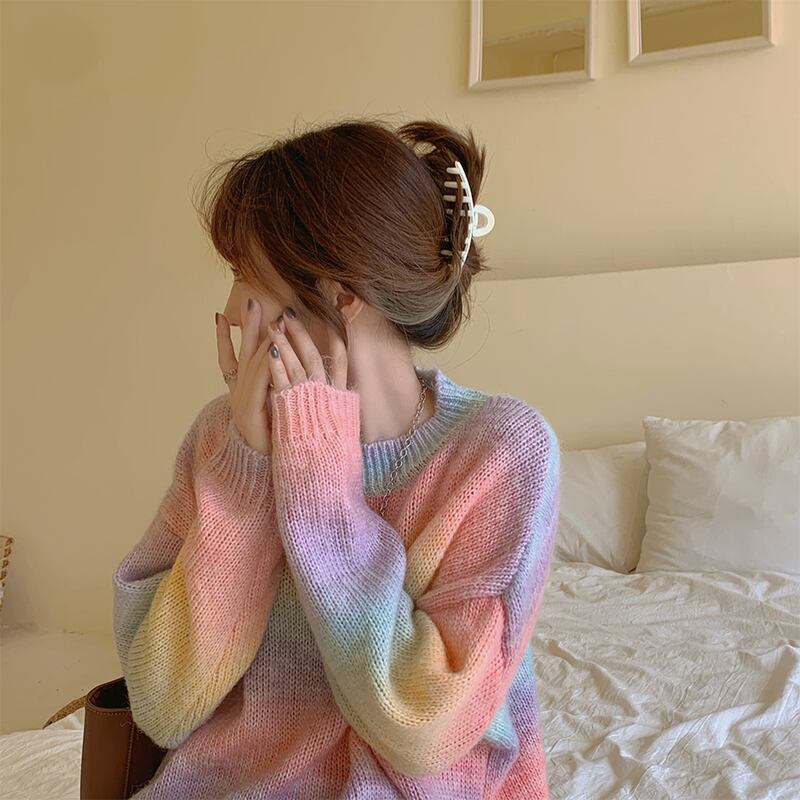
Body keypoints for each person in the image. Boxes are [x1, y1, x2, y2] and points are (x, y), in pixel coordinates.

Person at [112, 117, 561, 799]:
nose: (230, 310)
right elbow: (162, 705)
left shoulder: (500, 452)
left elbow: (424, 729)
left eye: (244, 275)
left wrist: (319, 485)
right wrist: (249, 470)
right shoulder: (223, 436)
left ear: (341, 293)